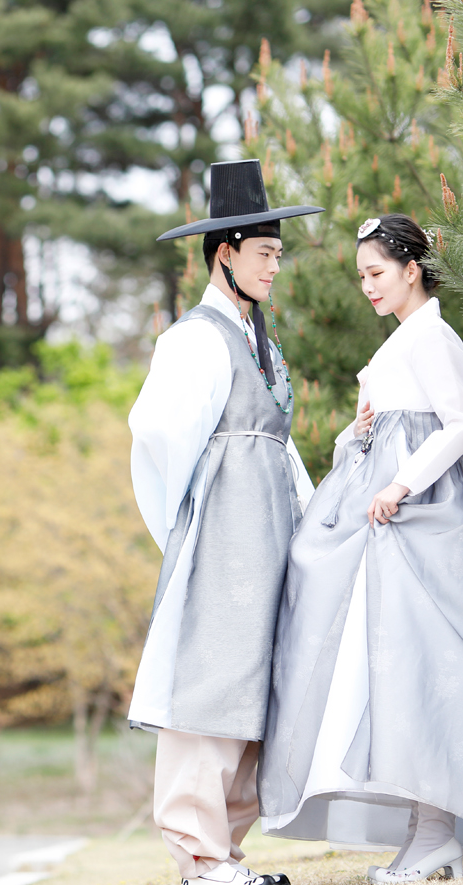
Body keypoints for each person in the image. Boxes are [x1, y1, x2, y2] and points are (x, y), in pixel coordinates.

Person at [257, 214, 463, 882]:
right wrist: (359, 432)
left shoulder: (431, 338)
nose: (367, 286)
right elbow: (368, 441)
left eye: (375, 273)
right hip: (392, 524)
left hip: (430, 523)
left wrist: (400, 482)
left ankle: (433, 835)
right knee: (396, 669)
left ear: (410, 270)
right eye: (361, 276)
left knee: (427, 668)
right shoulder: (402, 343)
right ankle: (426, 835)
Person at [128, 159, 322, 885]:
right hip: (224, 538)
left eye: (279, 253)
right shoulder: (195, 340)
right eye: (266, 253)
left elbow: (278, 442)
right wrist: (189, 538)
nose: (276, 266)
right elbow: (157, 439)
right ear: (226, 253)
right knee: (208, 688)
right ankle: (198, 854)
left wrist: (308, 520)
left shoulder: (256, 340)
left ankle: (225, 855)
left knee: (252, 688)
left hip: (267, 536)